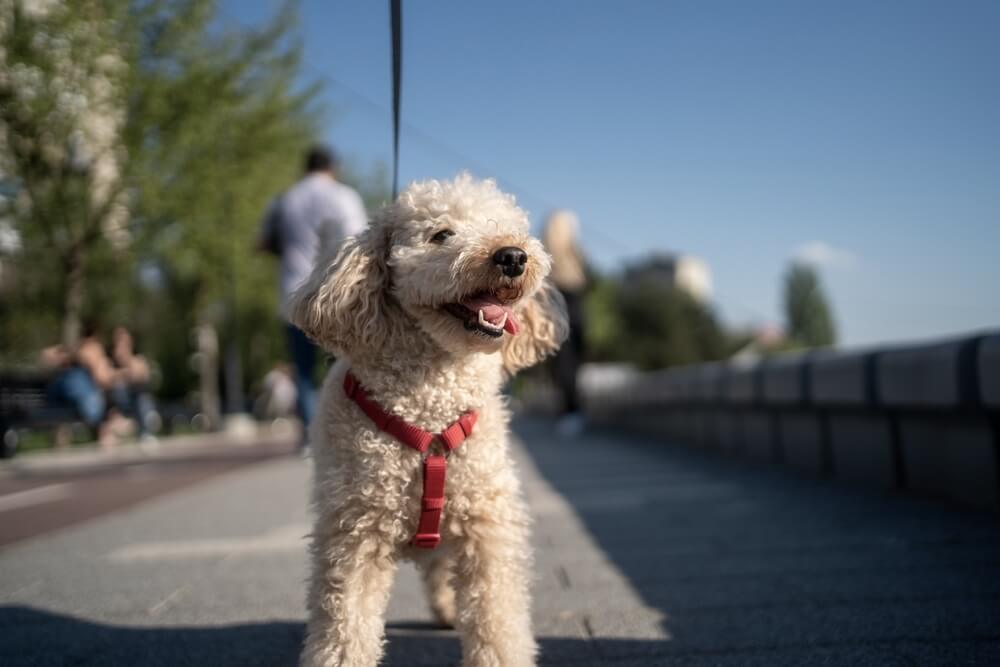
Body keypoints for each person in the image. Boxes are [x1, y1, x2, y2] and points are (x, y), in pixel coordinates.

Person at [258, 144, 367, 441]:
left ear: (305, 167)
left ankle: (311, 437)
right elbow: (361, 244)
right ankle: (347, 433)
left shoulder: (284, 201)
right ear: (333, 167)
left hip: (294, 295)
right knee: (348, 364)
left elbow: (262, 243)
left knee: (304, 374)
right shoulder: (344, 197)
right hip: (338, 294)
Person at [542, 210, 588, 436]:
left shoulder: (548, 256)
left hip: (558, 309)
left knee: (562, 365)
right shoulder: (571, 256)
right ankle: (571, 411)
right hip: (570, 308)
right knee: (569, 364)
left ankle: (568, 412)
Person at [42, 322, 117, 447]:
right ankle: (106, 433)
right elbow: (101, 378)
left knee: (107, 397)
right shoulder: (91, 349)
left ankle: (63, 438)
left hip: (66, 396)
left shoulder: (77, 349)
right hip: (81, 398)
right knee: (106, 397)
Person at [108, 326, 158, 441]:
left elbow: (142, 375)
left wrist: (127, 363)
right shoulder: (109, 364)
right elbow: (106, 379)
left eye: (125, 344)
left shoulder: (137, 360)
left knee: (142, 398)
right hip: (117, 409)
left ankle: (141, 425)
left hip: (137, 406)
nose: (121, 348)